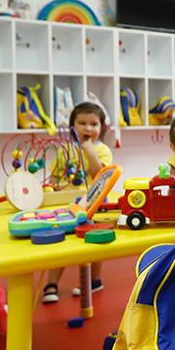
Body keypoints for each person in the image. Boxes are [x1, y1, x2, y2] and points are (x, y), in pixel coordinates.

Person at [42, 101, 113, 303]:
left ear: (102, 128)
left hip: (94, 203)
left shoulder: (102, 150)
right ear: (73, 126)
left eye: (94, 124)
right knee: (61, 242)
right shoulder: (65, 149)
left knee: (94, 242)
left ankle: (94, 281)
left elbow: (99, 174)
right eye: (82, 123)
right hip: (68, 204)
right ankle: (52, 283)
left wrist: (88, 149)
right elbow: (55, 177)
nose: (88, 128)